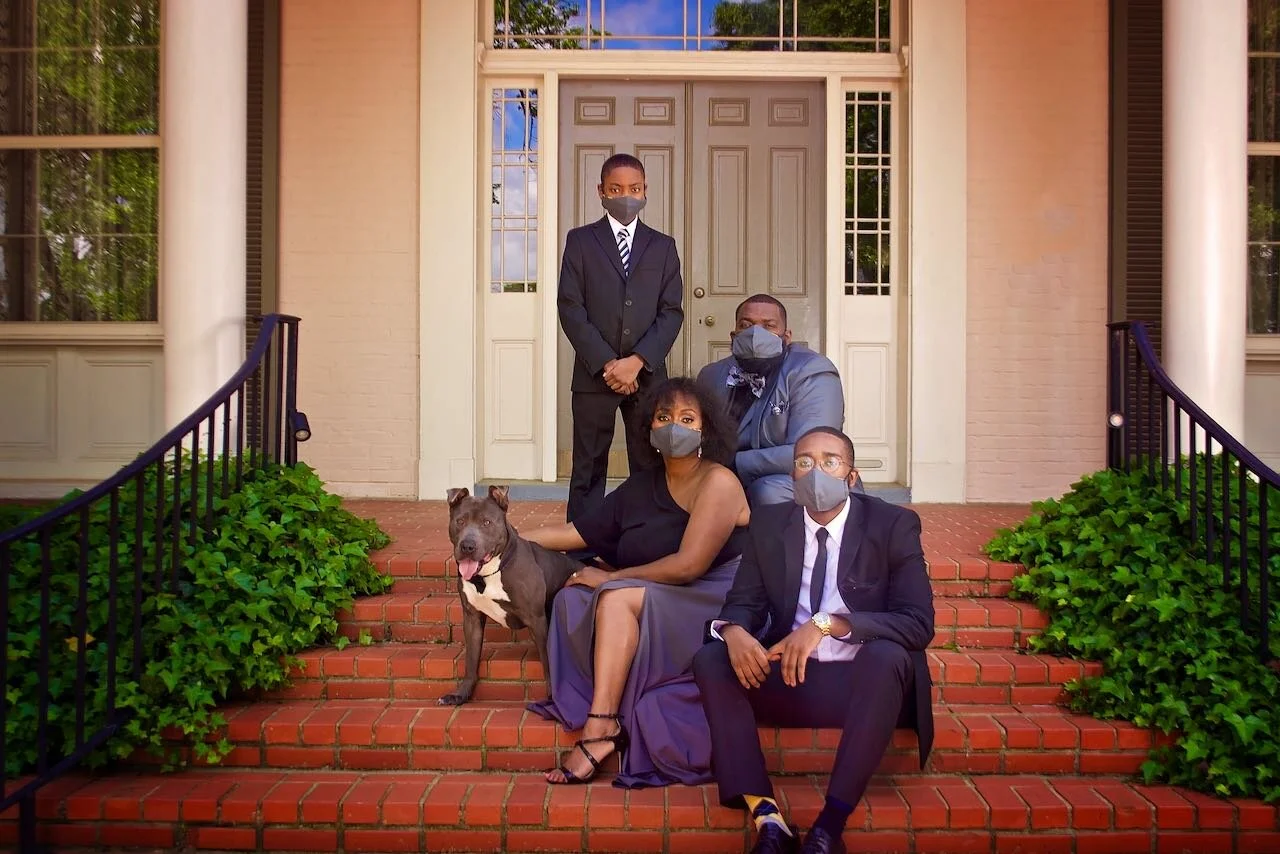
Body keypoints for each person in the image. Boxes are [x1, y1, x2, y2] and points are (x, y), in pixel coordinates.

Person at [692, 426, 935, 854]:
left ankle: (828, 827)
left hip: (868, 688)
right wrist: (733, 631)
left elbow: (917, 624)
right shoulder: (770, 524)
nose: (816, 471)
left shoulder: (892, 524)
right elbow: (743, 603)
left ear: (852, 477)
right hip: (794, 678)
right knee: (711, 659)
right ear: (792, 476)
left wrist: (827, 623)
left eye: (830, 462)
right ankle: (768, 820)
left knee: (887, 657)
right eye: (805, 462)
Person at [523, 377, 750, 788]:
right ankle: (601, 691)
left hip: (713, 596)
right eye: (664, 417)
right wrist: (504, 541)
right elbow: (576, 533)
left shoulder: (718, 481)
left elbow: (689, 566)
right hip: (660, 589)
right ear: (648, 427)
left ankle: (601, 725)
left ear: (706, 430)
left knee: (612, 596)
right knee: (572, 598)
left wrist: (611, 576)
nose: (674, 426)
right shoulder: (643, 485)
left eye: (687, 419)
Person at [559, 153, 684, 523]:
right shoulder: (581, 241)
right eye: (615, 189)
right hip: (594, 375)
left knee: (648, 463)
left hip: (647, 376)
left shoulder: (663, 246)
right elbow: (570, 307)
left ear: (645, 191)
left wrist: (636, 362)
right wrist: (608, 364)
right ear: (601, 191)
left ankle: (644, 534)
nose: (625, 196)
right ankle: (582, 542)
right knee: (588, 466)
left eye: (634, 189)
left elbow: (671, 311)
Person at [697, 294, 862, 508]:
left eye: (769, 326)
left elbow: (812, 453)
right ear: (734, 335)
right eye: (746, 325)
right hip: (725, 475)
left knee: (768, 491)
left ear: (786, 336)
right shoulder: (712, 375)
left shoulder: (811, 370)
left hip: (804, 480)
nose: (755, 333)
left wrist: (734, 462)